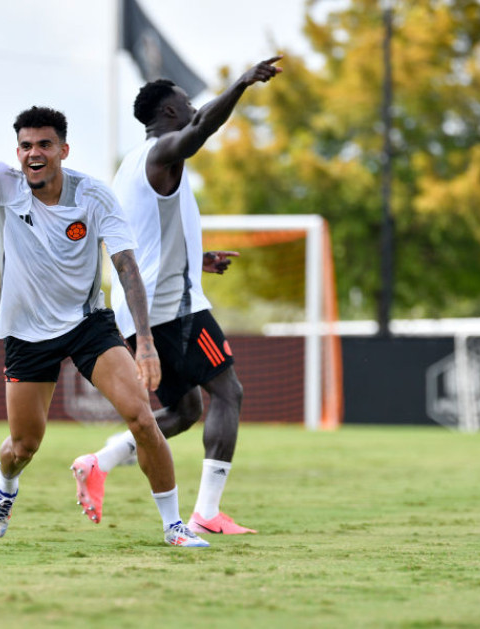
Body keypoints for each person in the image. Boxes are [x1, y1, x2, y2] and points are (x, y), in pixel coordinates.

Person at [0, 73, 206, 547]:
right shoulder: (3, 183)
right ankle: (3, 488)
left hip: (88, 325)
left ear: (63, 151)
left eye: (45, 145)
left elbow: (126, 265)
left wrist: (147, 343)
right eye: (26, 145)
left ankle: (175, 526)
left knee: (142, 416)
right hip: (26, 332)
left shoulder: (93, 196)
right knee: (23, 447)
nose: (34, 153)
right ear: (18, 153)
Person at [71, 56, 283, 535]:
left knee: (186, 410)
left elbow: (145, 235)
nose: (192, 109)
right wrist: (242, 83)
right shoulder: (164, 151)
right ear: (168, 113)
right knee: (229, 392)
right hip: (172, 307)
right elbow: (202, 127)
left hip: (145, 305)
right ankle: (207, 513)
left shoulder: (132, 165)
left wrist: (197, 258)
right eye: (185, 104)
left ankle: (99, 462)